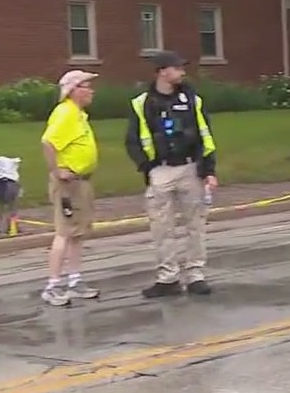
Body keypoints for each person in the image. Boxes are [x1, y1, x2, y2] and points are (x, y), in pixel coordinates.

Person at [124, 51, 219, 298]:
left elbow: (205, 135)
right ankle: (168, 278)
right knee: (161, 227)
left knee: (195, 224)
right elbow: (133, 140)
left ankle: (195, 274)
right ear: (162, 72)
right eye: (177, 68)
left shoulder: (192, 100)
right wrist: (147, 166)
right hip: (160, 171)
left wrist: (208, 170)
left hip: (190, 168)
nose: (182, 72)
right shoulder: (142, 103)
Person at [40, 69, 101, 307]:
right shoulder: (65, 113)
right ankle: (52, 285)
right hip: (68, 185)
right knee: (64, 232)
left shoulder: (78, 115)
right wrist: (57, 171)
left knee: (77, 232)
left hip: (80, 182)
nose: (91, 90)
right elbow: (48, 142)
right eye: (86, 85)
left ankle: (75, 281)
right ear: (74, 90)